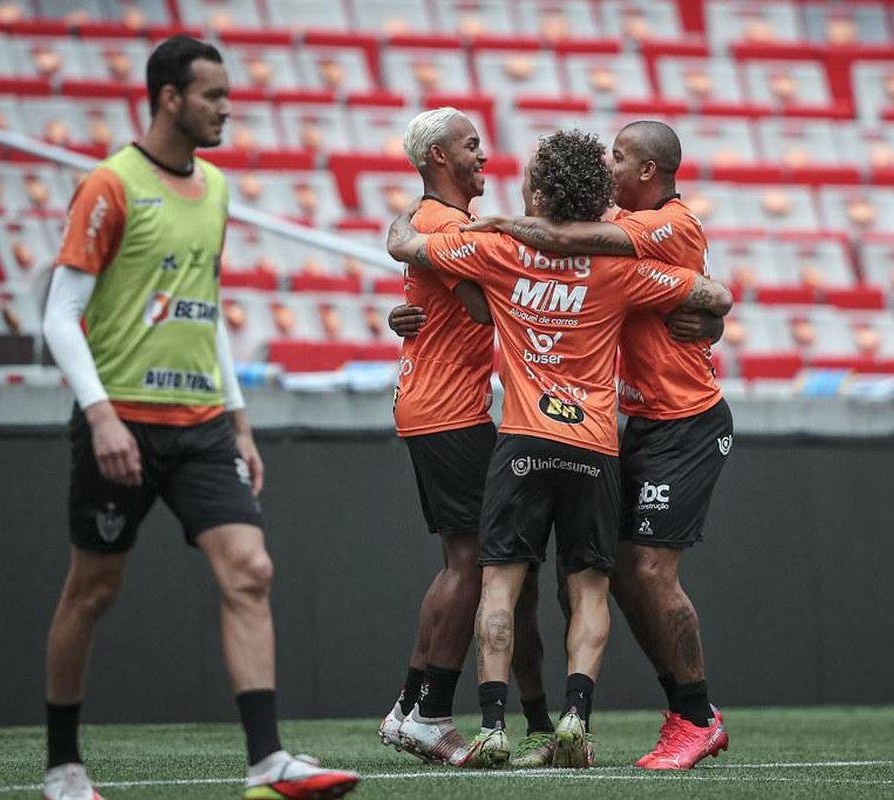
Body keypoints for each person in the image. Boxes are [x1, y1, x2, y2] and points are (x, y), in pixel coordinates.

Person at [39, 35, 360, 800]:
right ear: (169, 98)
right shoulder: (110, 185)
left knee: (251, 570)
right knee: (92, 590)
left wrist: (240, 422)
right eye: (212, 95)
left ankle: (267, 763)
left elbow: (205, 309)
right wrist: (103, 414)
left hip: (202, 428)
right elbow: (59, 315)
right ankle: (62, 767)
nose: (226, 108)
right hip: (121, 422)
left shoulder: (214, 188)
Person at [386, 130, 733, 769]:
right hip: (602, 440)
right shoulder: (621, 259)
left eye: (621, 157)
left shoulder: (510, 247)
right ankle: (571, 721)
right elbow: (708, 293)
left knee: (503, 580)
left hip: (603, 428)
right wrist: (711, 310)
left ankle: (499, 723)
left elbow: (410, 248)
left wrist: (420, 222)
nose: (611, 163)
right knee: (595, 586)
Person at [376, 107, 552, 766]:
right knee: (474, 562)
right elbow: (485, 306)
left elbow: (448, 300)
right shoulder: (444, 224)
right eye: (471, 145)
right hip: (447, 410)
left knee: (466, 558)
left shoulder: (432, 223)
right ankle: (429, 714)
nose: (484, 155)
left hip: (439, 404)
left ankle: (409, 706)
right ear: (438, 159)